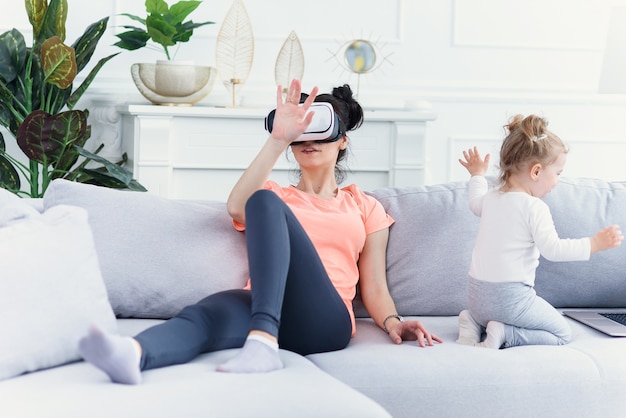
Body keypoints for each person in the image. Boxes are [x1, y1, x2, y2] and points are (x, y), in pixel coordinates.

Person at [78, 79, 442, 384]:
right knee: (203, 314)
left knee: (265, 204)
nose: (308, 141)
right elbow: (238, 205)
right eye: (300, 135)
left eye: (319, 130)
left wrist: (393, 322)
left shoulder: (364, 206)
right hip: (261, 306)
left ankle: (264, 341)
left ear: (342, 140)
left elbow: (374, 285)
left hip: (324, 320)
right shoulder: (274, 195)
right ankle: (133, 354)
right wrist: (279, 138)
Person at [456, 114, 623, 349]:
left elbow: (474, 203)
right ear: (536, 172)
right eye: (557, 173)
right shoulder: (534, 207)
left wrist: (476, 176)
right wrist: (593, 244)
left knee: (484, 313)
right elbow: (553, 249)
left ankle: (473, 321)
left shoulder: (492, 198)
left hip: (476, 299)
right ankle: (506, 333)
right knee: (562, 333)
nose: (557, 181)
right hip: (510, 301)